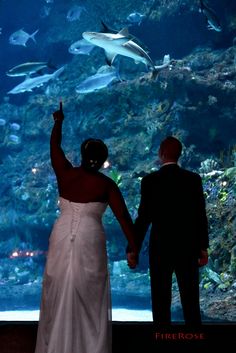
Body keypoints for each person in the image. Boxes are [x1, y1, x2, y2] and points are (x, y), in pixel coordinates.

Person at [34, 102, 138, 353]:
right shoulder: (107, 185)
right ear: (103, 161)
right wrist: (133, 248)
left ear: (81, 155)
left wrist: (58, 122)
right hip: (91, 237)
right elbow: (124, 218)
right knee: (90, 291)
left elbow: (54, 148)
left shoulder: (65, 175)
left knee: (58, 286)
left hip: (61, 233)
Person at [127, 136, 209, 327]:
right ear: (180, 155)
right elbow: (200, 216)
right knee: (190, 300)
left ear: (160, 154)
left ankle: (162, 340)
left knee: (160, 299)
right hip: (187, 246)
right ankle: (194, 339)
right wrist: (203, 247)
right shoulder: (192, 180)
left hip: (160, 247)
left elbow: (143, 219)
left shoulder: (150, 181)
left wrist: (133, 248)